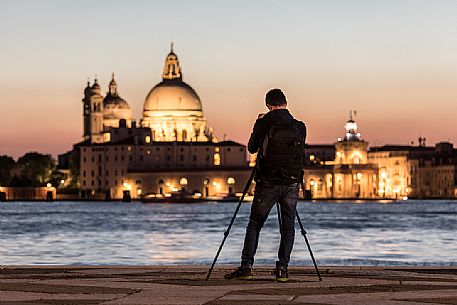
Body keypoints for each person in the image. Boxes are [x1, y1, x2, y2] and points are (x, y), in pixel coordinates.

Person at [225, 88, 307, 282]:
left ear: (268, 105)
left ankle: (246, 267)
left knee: (255, 224)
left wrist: (259, 123)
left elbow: (252, 148)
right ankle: (283, 270)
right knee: (288, 227)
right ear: (285, 103)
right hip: (291, 183)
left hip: (268, 182)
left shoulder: (264, 123)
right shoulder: (299, 126)